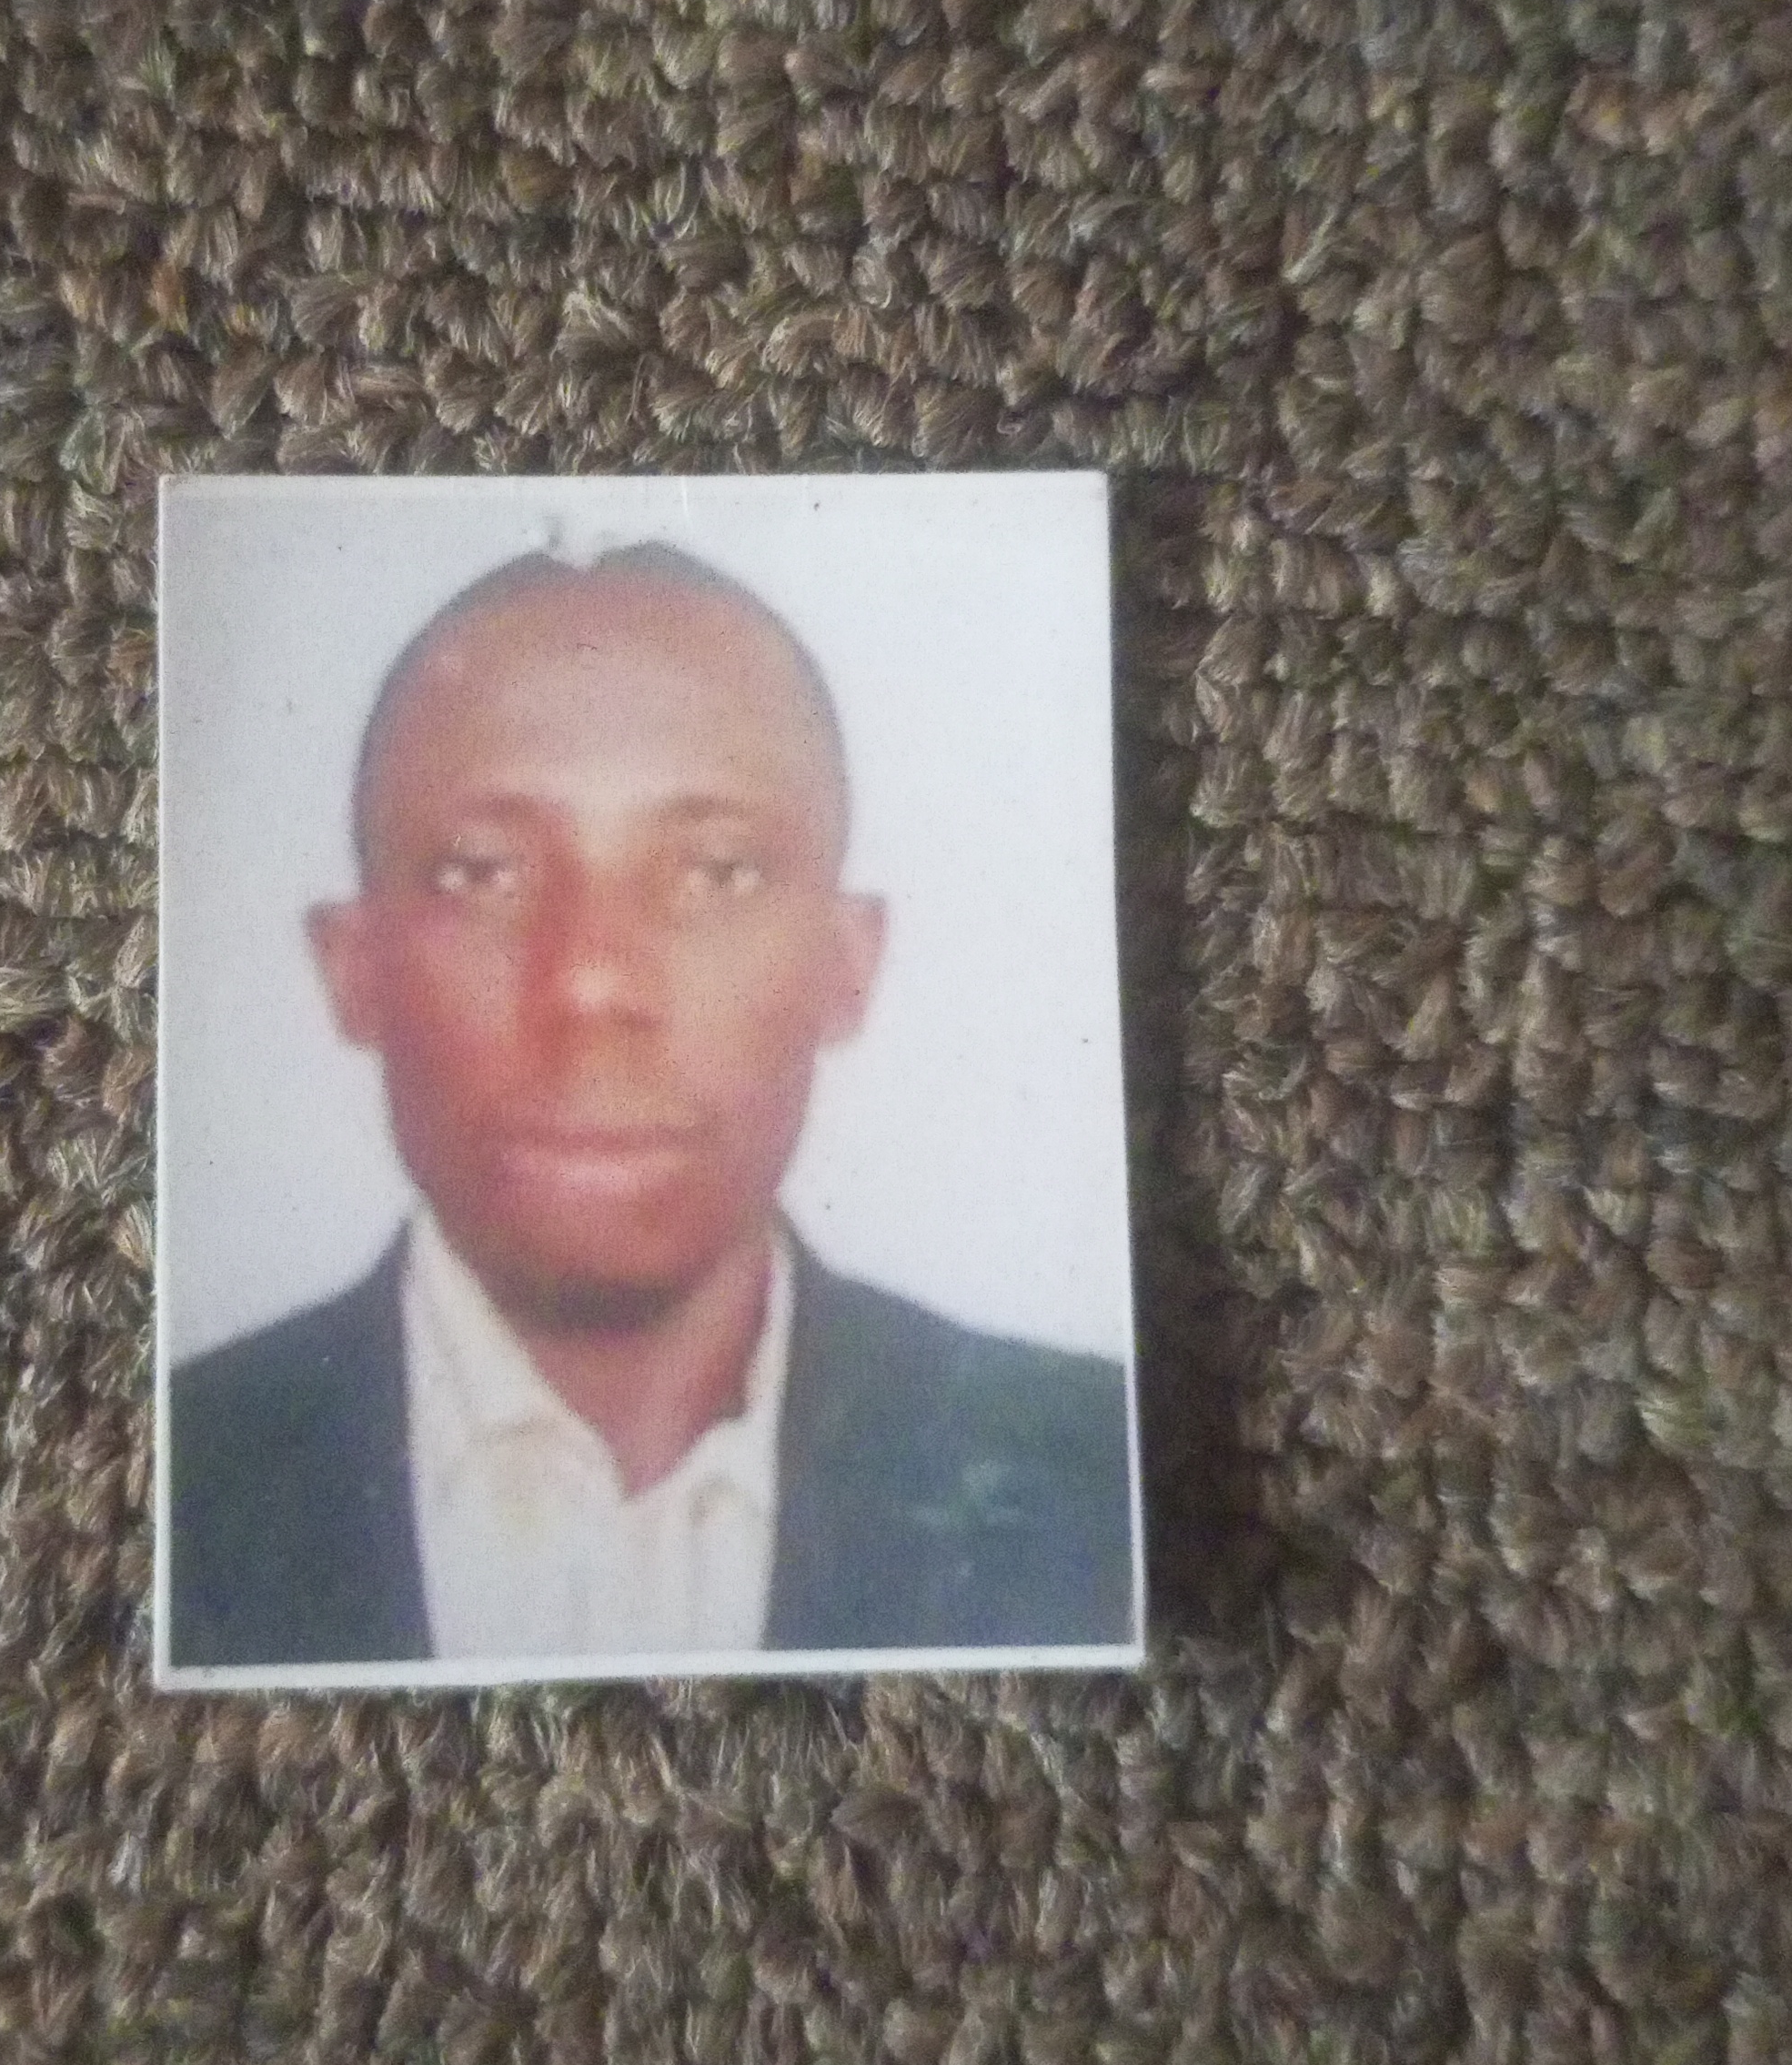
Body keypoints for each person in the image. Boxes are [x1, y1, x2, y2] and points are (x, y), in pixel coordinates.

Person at [166, 543, 1133, 1668]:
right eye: (483, 871)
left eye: (715, 871)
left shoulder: (1095, 1485)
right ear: (352, 967)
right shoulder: (162, 1481)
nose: (592, 981)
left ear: (847, 964)